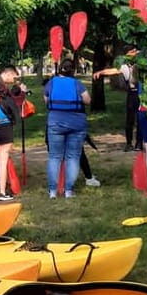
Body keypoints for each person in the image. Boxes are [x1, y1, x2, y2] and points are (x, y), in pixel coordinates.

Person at [44, 59, 91, 198]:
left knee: (54, 157)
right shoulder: (77, 84)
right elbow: (87, 100)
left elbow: (46, 100)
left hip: (55, 123)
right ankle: (68, 190)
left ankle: (52, 191)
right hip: (76, 124)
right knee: (73, 157)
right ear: (73, 70)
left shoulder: (51, 83)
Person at [93, 44, 142, 151]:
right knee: (130, 119)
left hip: (142, 94)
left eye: (136, 51)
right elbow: (114, 70)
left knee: (141, 119)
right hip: (133, 94)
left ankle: (139, 143)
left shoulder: (142, 63)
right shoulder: (125, 67)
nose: (136, 53)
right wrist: (101, 72)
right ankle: (129, 143)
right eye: (133, 52)